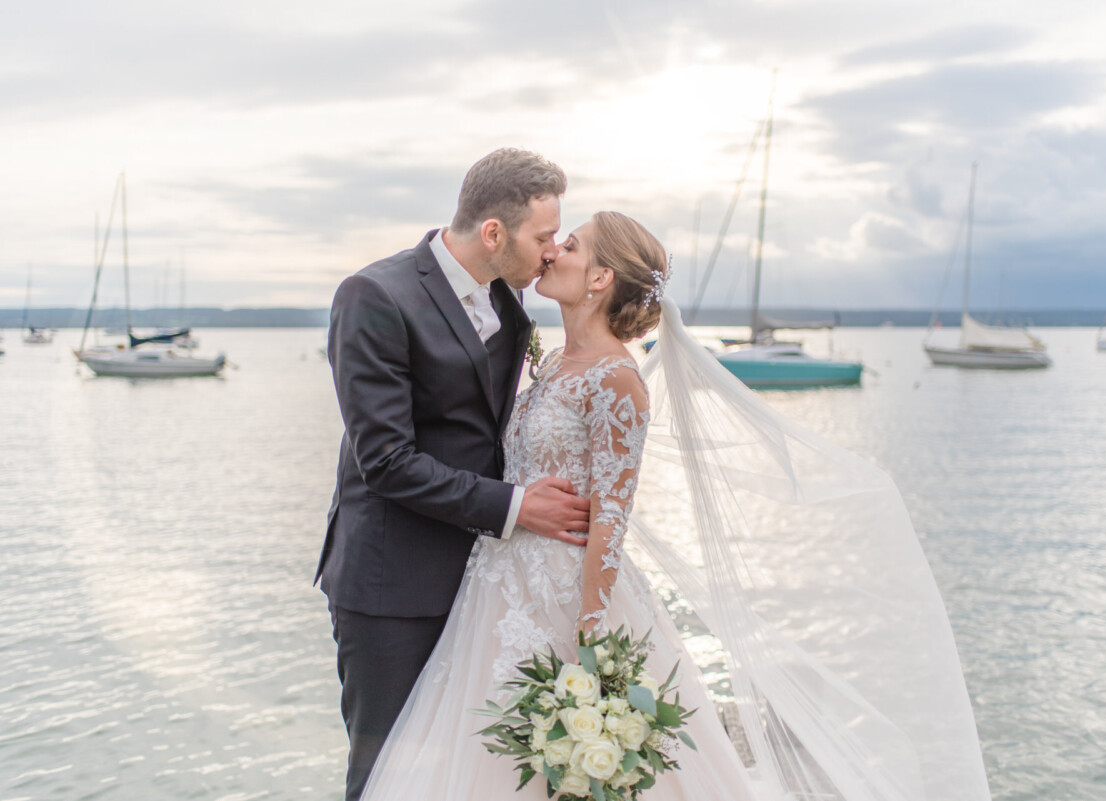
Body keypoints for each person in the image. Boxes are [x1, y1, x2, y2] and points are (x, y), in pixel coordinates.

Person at [358, 212, 992, 801]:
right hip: (499, 582)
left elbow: (612, 510)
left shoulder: (617, 378)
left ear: (601, 277)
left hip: (568, 595)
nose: (554, 251)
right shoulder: (550, 360)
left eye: (571, 245)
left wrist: (591, 629)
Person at [317, 149, 593, 801]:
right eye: (543, 236)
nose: (551, 252)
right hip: (391, 585)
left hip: (482, 581)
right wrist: (516, 506)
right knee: (387, 775)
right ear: (493, 233)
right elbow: (383, 459)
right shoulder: (375, 295)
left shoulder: (514, 304)